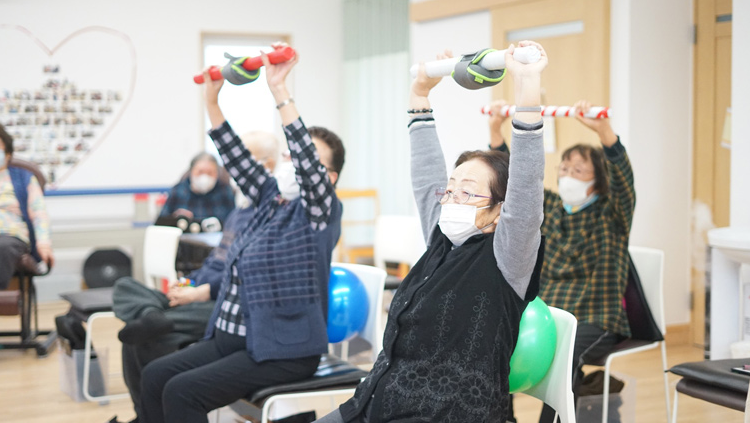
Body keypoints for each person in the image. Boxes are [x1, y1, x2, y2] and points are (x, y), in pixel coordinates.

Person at [315, 40, 547, 423]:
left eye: (468, 191)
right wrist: (420, 92)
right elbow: (425, 174)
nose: (452, 196)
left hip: (450, 414)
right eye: (451, 187)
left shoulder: (509, 256)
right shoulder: (441, 241)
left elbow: (526, 181)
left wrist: (527, 84)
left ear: (498, 212)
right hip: (378, 400)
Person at [138, 45, 346, 423]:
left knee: (181, 393)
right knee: (155, 377)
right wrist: (213, 103)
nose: (291, 164)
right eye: (287, 157)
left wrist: (279, 90)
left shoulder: (320, 212)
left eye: (300, 161)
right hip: (231, 338)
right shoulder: (271, 199)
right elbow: (234, 155)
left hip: (283, 351)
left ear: (327, 178)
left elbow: (305, 161)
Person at [109, 131, 282, 423]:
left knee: (145, 338)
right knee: (126, 288)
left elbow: (233, 279)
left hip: (221, 302)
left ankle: (157, 319)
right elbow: (214, 263)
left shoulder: (269, 214)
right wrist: (187, 283)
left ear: (269, 165)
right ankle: (152, 314)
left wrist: (200, 291)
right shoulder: (239, 213)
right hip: (200, 287)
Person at [488, 99, 635, 422]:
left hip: (597, 317)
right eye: (564, 168)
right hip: (550, 312)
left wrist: (605, 132)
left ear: (597, 179)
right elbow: (518, 181)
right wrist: (495, 131)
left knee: (562, 358)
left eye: (578, 170)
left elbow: (624, 182)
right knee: (497, 344)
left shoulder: (612, 214)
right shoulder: (552, 207)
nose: (568, 175)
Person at [0, 124, 53, 331]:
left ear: (7, 154)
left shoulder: (23, 177)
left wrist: (44, 244)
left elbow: (39, 212)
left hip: (9, 237)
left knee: (1, 248)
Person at [157, 152, 235, 226]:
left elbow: (234, 224)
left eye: (210, 173)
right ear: (191, 171)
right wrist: (174, 219)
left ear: (217, 173)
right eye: (200, 172)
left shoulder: (225, 192)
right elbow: (160, 225)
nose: (205, 177)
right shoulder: (178, 191)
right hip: (185, 239)